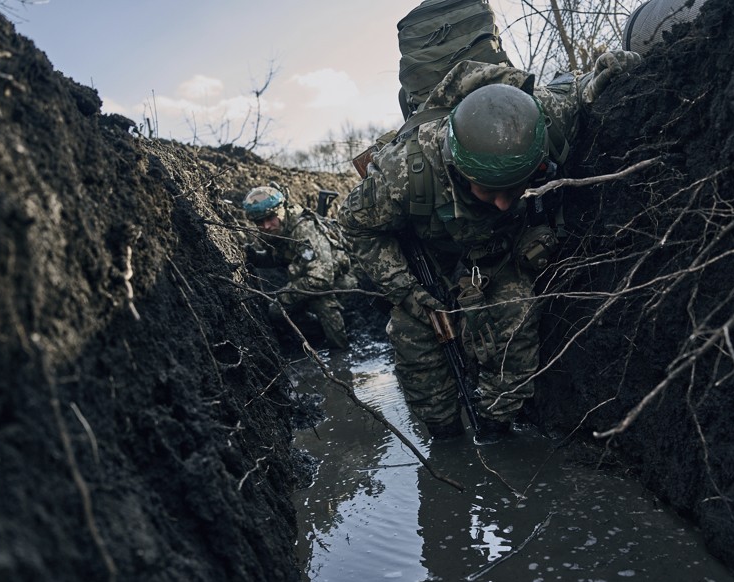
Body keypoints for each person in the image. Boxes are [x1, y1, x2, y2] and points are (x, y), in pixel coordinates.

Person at [338, 52, 640, 441]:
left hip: (501, 256)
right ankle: (445, 438)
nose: (502, 203)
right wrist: (410, 293)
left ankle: (496, 430)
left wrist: (604, 74)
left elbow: (579, 89)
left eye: (514, 189)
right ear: (457, 167)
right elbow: (355, 226)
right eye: (489, 191)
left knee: (516, 318)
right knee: (415, 344)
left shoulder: (543, 121)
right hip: (434, 265)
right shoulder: (404, 174)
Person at [243, 184, 355, 349]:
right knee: (276, 312)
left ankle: (341, 352)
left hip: (341, 281)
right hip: (309, 278)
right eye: (259, 222)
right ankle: (318, 334)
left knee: (321, 301)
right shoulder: (278, 229)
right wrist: (256, 258)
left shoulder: (303, 229)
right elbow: (280, 258)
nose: (266, 226)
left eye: (270, 218)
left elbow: (321, 280)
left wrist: (285, 295)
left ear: (282, 209)